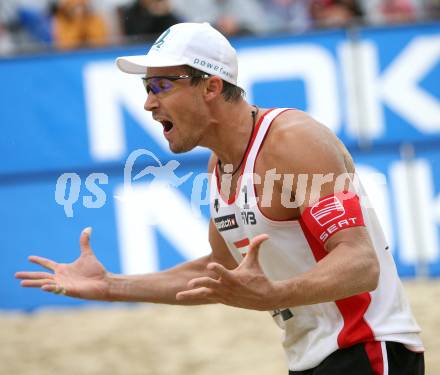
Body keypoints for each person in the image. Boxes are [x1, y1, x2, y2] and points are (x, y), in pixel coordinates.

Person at [16, 22, 425, 374]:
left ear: (210, 85)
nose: (147, 102)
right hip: (311, 355)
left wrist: (275, 295)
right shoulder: (220, 166)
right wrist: (111, 286)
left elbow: (360, 262)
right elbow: (219, 271)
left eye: (161, 84)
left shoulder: (292, 140)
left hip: (369, 347)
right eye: (146, 86)